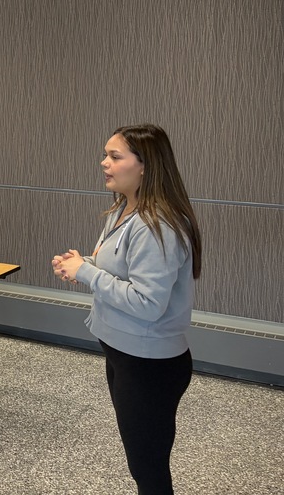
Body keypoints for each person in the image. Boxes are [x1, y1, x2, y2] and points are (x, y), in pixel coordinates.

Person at [53, 124, 202, 495]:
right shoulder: (124, 209)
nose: (104, 163)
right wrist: (83, 262)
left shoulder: (159, 224)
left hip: (149, 364)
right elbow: (121, 268)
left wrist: (86, 272)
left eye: (115, 156)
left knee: (148, 469)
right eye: (106, 154)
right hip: (124, 353)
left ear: (145, 166)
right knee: (142, 462)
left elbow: (148, 304)